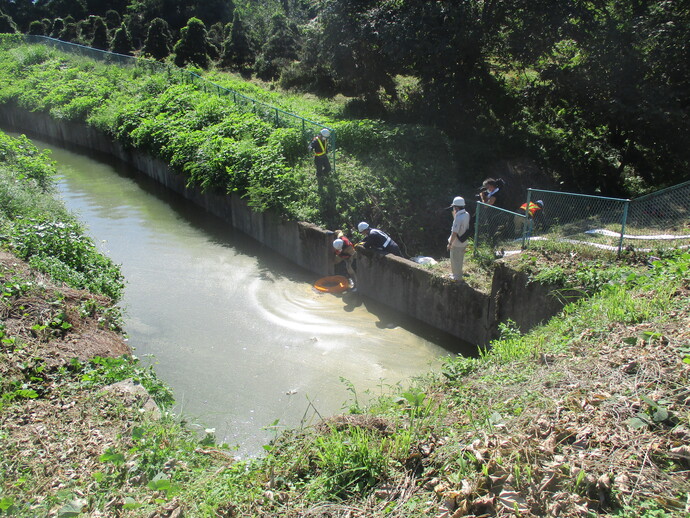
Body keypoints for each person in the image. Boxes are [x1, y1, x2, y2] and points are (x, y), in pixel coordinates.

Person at [447, 196, 471, 281]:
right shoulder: (466, 214)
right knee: (460, 259)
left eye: (454, 207)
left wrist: (450, 244)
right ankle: (458, 274)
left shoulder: (458, 218)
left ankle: (456, 277)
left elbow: (454, 232)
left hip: (456, 243)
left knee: (455, 260)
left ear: (456, 207)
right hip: (463, 241)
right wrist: (455, 216)